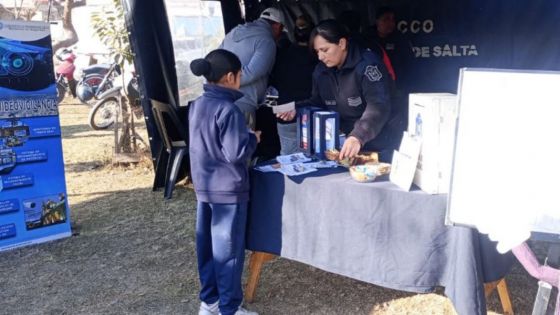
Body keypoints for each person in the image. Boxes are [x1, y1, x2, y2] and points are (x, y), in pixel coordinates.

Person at [188, 49, 260, 315]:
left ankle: (209, 302)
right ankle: (229, 308)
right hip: (229, 191)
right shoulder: (228, 110)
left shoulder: (197, 104)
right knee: (228, 253)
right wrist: (252, 138)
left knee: (207, 249)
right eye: (240, 75)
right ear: (230, 77)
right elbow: (235, 153)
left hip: (205, 187)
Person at [278, 20, 403, 162]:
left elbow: (378, 106)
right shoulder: (321, 71)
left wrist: (358, 136)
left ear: (342, 44)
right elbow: (318, 102)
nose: (320, 57)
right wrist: (296, 109)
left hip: (381, 141)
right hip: (347, 143)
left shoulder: (368, 65)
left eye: (325, 50)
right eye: (317, 51)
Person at [220, 7, 285, 129]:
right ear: (277, 26)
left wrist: (220, 82)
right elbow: (252, 73)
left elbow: (216, 60)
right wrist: (227, 82)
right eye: (281, 30)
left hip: (221, 100)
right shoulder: (266, 40)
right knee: (243, 146)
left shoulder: (232, 33)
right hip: (243, 104)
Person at [269, 14, 318, 155]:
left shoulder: (280, 55)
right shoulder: (319, 59)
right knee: (317, 159)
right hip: (311, 113)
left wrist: (274, 108)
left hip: (284, 112)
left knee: (290, 161)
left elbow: (272, 85)